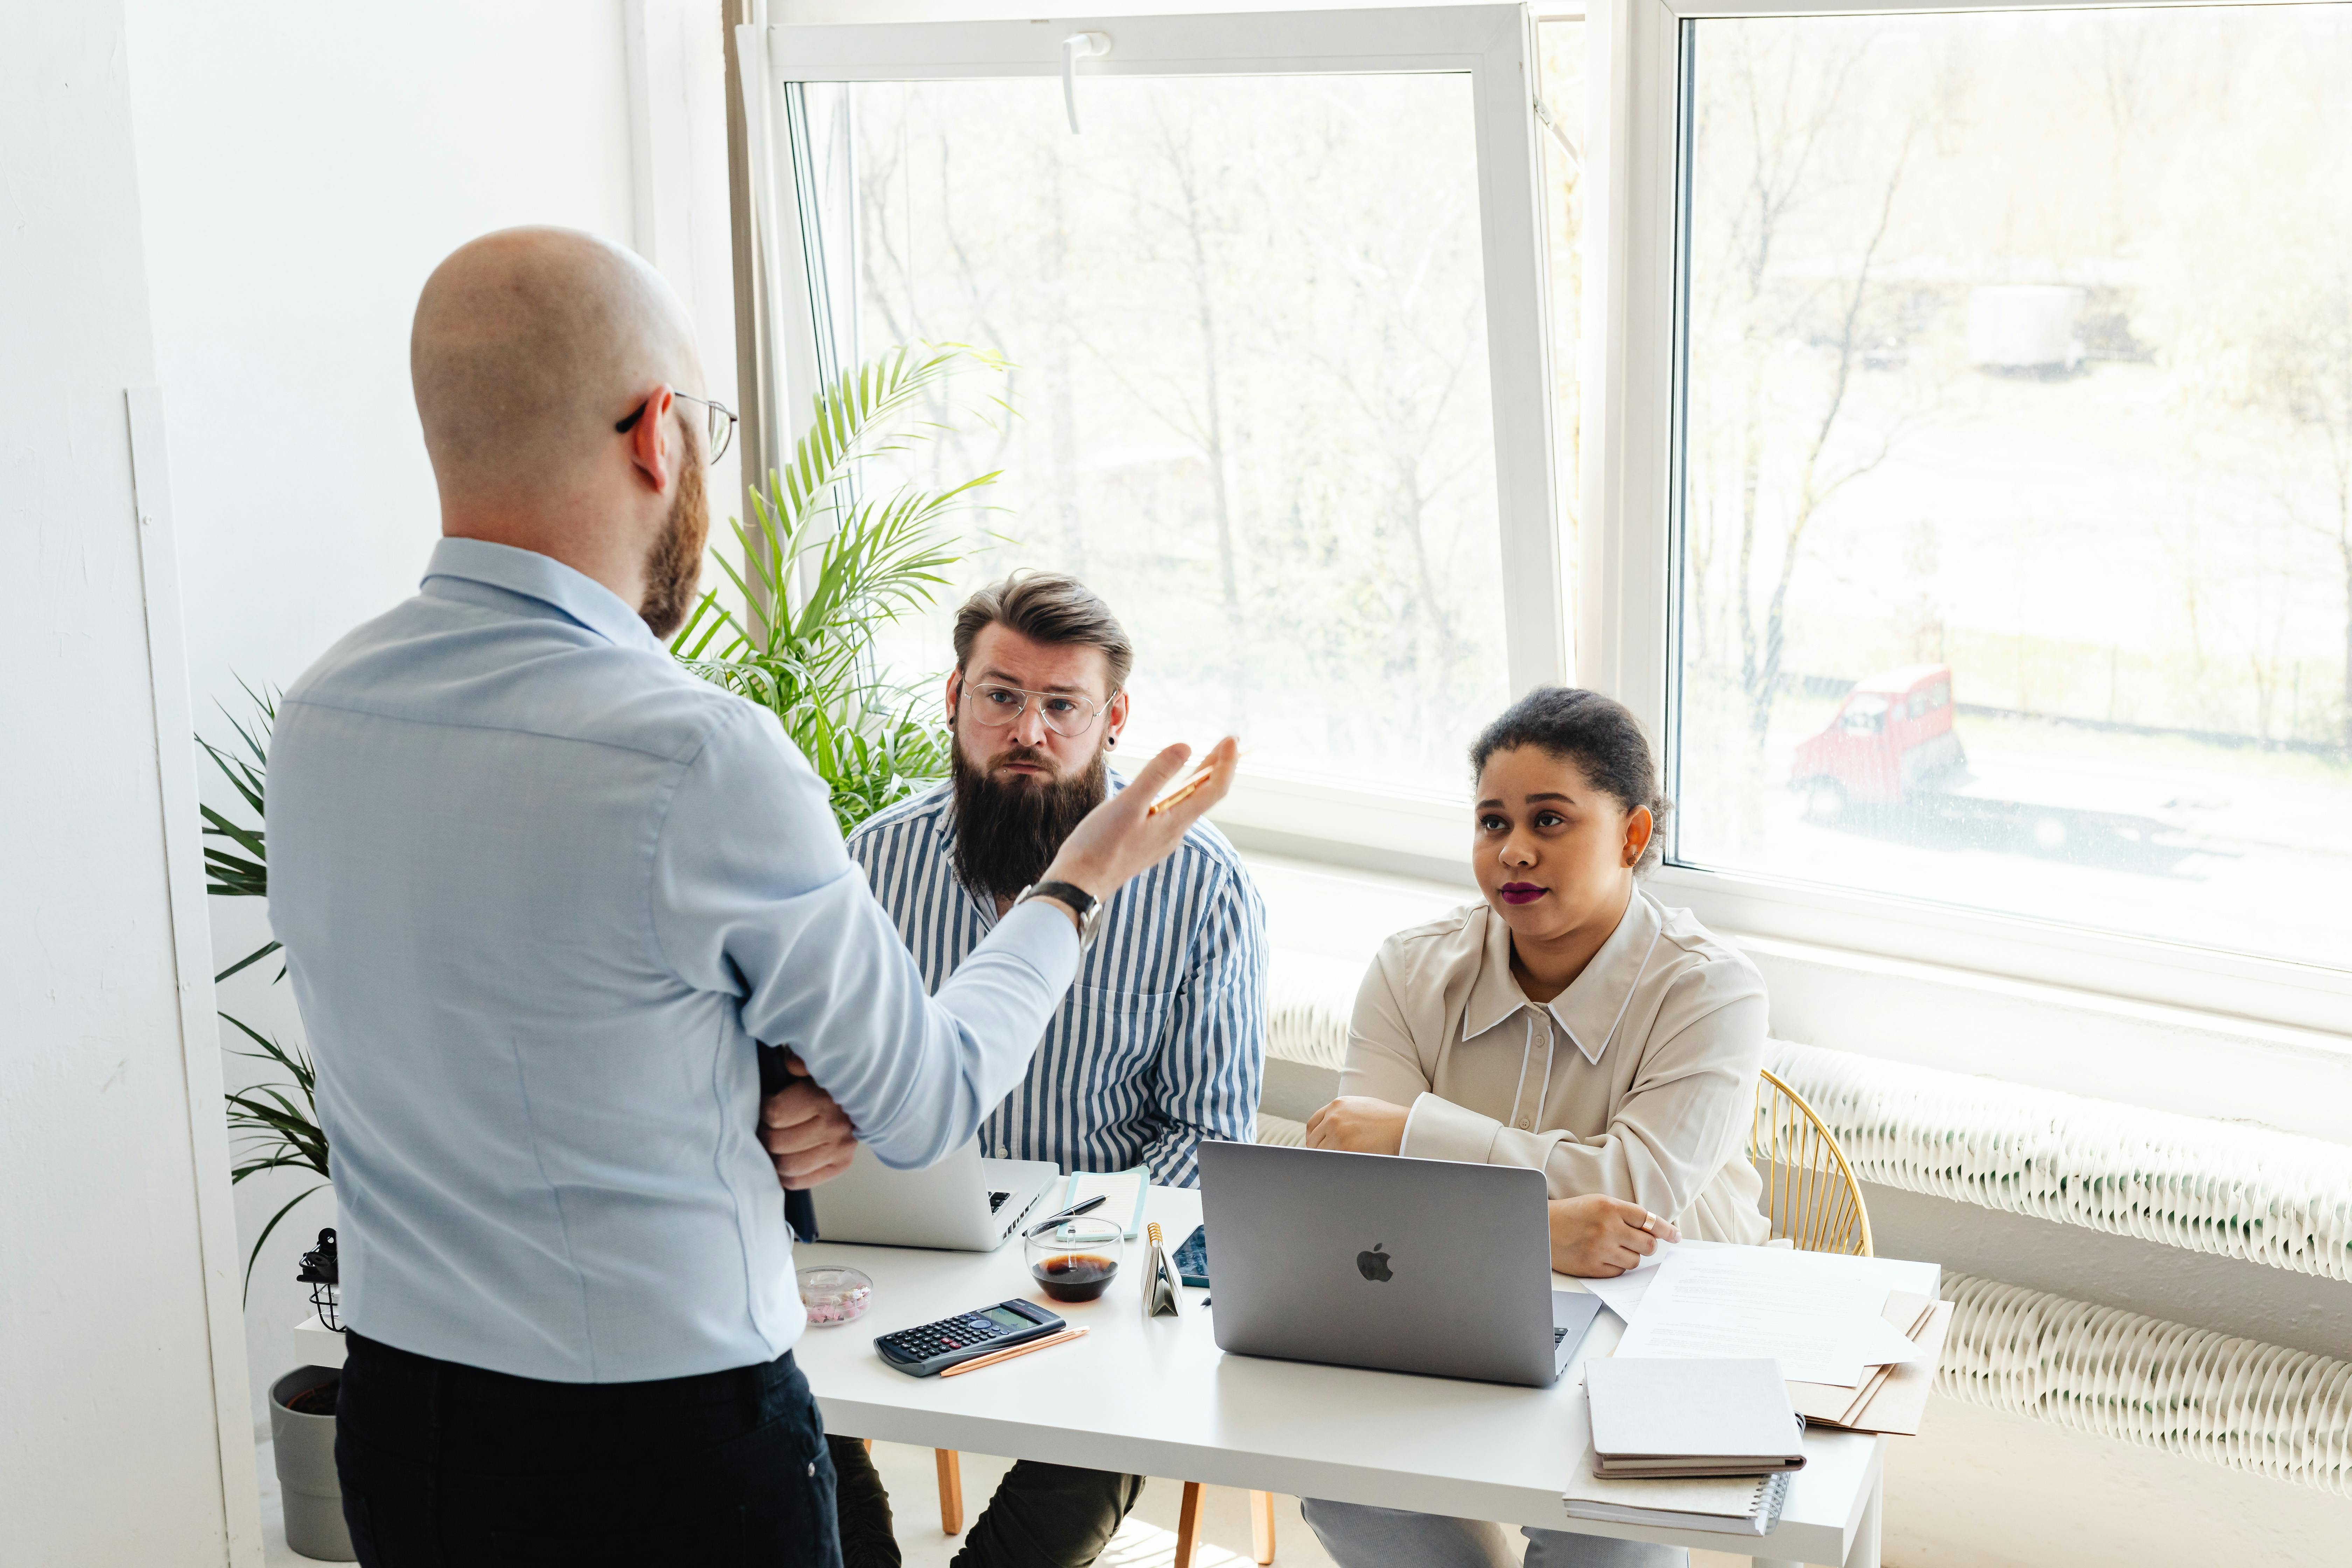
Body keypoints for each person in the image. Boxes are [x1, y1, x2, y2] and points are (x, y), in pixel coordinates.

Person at [264, 226, 1237, 1568]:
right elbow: (931, 1100)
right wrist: (1076, 887)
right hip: (665, 1451)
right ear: (659, 435)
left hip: (410, 1423)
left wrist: (752, 1085)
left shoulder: (320, 716)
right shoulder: (696, 751)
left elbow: (508, 1016)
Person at [806, 571, 1268, 1568]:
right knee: (782, 1385)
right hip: (899, 1251)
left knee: (1113, 1411)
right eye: (1002, 696)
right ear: (954, 699)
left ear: (1114, 721)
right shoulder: (872, 863)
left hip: (1087, 1278)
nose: (1030, 729)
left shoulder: (1203, 888)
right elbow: (827, 1074)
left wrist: (1086, 1245)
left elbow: (1207, 1141)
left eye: (1064, 705)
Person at [1297, 686, 1768, 1568]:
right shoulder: (1408, 969)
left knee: (1612, 1537)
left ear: (1633, 835)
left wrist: (1416, 1132)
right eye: (1492, 822)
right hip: (1444, 1317)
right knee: (1344, 1483)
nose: (1513, 850)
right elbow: (1361, 1199)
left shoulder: (1713, 988)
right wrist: (1547, 1227)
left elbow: (1632, 1198)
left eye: (1551, 820)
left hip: (1662, 1336)